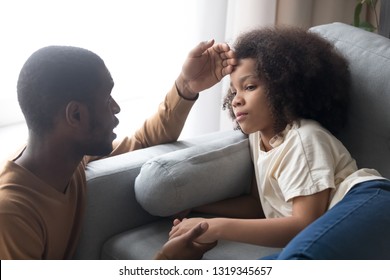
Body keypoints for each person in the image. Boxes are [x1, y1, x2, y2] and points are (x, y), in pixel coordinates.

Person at [0, 40, 236, 259]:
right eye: (107, 99)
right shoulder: (11, 214)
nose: (116, 108)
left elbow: (143, 143)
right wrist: (165, 262)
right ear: (76, 114)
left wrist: (186, 85)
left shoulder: (63, 158)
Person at [168, 27, 390, 259]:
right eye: (233, 92)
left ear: (283, 87)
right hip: (328, 231)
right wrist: (198, 209)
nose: (236, 100)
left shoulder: (304, 139)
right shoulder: (258, 139)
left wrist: (215, 227)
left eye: (250, 87)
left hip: (369, 200)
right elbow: (257, 204)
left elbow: (304, 224)